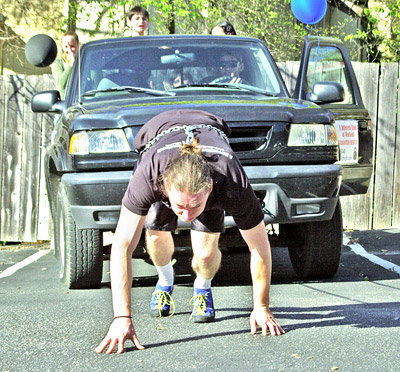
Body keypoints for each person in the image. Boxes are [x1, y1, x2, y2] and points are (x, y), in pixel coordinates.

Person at [95, 109, 284, 355]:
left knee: (205, 254)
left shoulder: (231, 180)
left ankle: (203, 287)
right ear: (163, 187)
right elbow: (122, 245)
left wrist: (261, 306)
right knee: (155, 233)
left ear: (210, 189)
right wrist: (122, 316)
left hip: (210, 141)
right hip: (158, 134)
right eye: (180, 206)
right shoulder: (149, 175)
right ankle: (165, 281)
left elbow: (258, 245)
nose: (185, 215)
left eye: (194, 205)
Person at [51, 31, 79, 98]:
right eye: (66, 46)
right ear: (62, 46)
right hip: (67, 102)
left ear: (78, 45)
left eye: (72, 46)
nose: (69, 50)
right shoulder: (58, 62)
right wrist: (70, 65)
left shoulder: (84, 60)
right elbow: (61, 85)